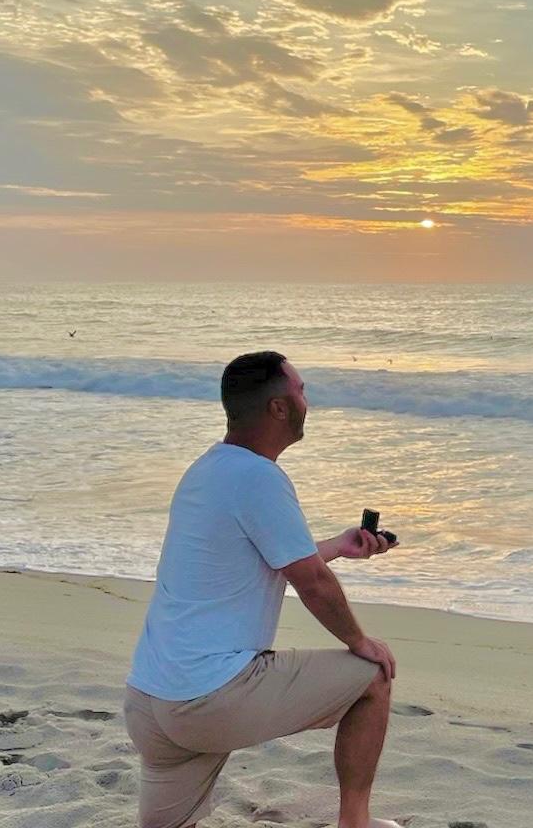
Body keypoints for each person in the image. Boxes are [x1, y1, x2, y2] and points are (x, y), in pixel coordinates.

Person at [124, 351, 404, 828]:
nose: (306, 401)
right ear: (279, 407)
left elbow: (270, 557)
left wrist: (337, 547)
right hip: (209, 699)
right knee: (372, 677)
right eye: (301, 391)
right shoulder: (259, 477)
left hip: (151, 702)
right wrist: (359, 641)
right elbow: (312, 582)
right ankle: (355, 822)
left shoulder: (207, 470)